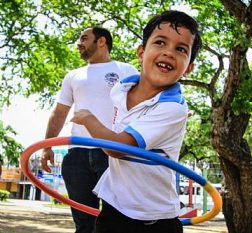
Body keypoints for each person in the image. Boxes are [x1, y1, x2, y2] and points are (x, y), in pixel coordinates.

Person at [71, 10, 202, 233]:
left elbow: (118, 148)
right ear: (141, 52)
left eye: (181, 49)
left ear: (188, 67)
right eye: (160, 42)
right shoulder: (120, 90)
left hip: (154, 218)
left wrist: (88, 119)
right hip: (115, 206)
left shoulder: (172, 107)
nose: (169, 53)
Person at [40, 26, 138, 233]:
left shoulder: (126, 70)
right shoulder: (73, 76)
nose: (79, 43)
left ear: (101, 41)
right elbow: (59, 112)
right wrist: (46, 146)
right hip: (78, 155)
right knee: (84, 223)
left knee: (116, 221)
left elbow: (141, 105)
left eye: (84, 38)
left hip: (114, 153)